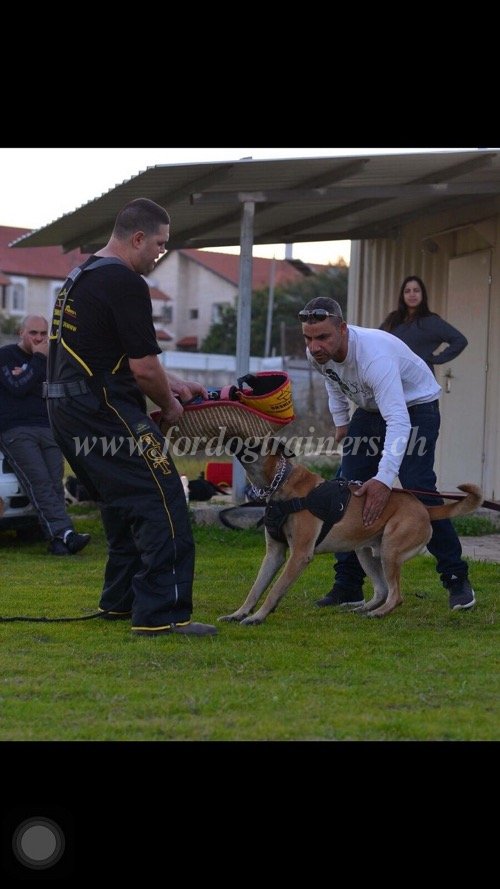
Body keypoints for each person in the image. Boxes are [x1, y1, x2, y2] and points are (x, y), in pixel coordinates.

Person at [46, 197, 217, 637]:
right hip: (103, 409)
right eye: (159, 244)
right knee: (162, 500)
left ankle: (120, 601)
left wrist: (172, 381)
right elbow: (142, 369)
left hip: (68, 408)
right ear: (137, 237)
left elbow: (114, 356)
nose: (161, 253)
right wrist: (172, 404)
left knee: (124, 504)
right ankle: (162, 614)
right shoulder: (124, 282)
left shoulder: (82, 275)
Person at [298, 296, 476, 612]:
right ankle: (348, 586)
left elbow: (398, 420)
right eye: (309, 338)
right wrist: (341, 422)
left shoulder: (374, 357)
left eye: (322, 337)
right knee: (347, 489)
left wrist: (382, 478)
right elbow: (333, 382)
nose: (314, 346)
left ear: (342, 328)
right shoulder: (317, 353)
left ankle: (455, 578)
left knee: (418, 486)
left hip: (415, 407)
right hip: (369, 411)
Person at [0, 315, 91, 556]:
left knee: (54, 484)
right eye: (33, 333)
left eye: (43, 334)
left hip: (48, 428)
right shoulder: (6, 356)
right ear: (21, 332)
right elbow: (17, 388)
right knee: (39, 481)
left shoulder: (53, 362)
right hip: (16, 430)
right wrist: (37, 363)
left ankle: (58, 542)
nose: (39, 339)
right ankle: (66, 534)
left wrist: (28, 373)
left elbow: (55, 391)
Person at [380, 275, 468, 373]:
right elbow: (377, 340)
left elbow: (460, 340)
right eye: (407, 291)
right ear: (402, 296)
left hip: (420, 381)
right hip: (394, 377)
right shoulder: (393, 319)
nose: (412, 294)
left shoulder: (431, 322)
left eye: (416, 290)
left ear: (423, 294)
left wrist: (436, 359)